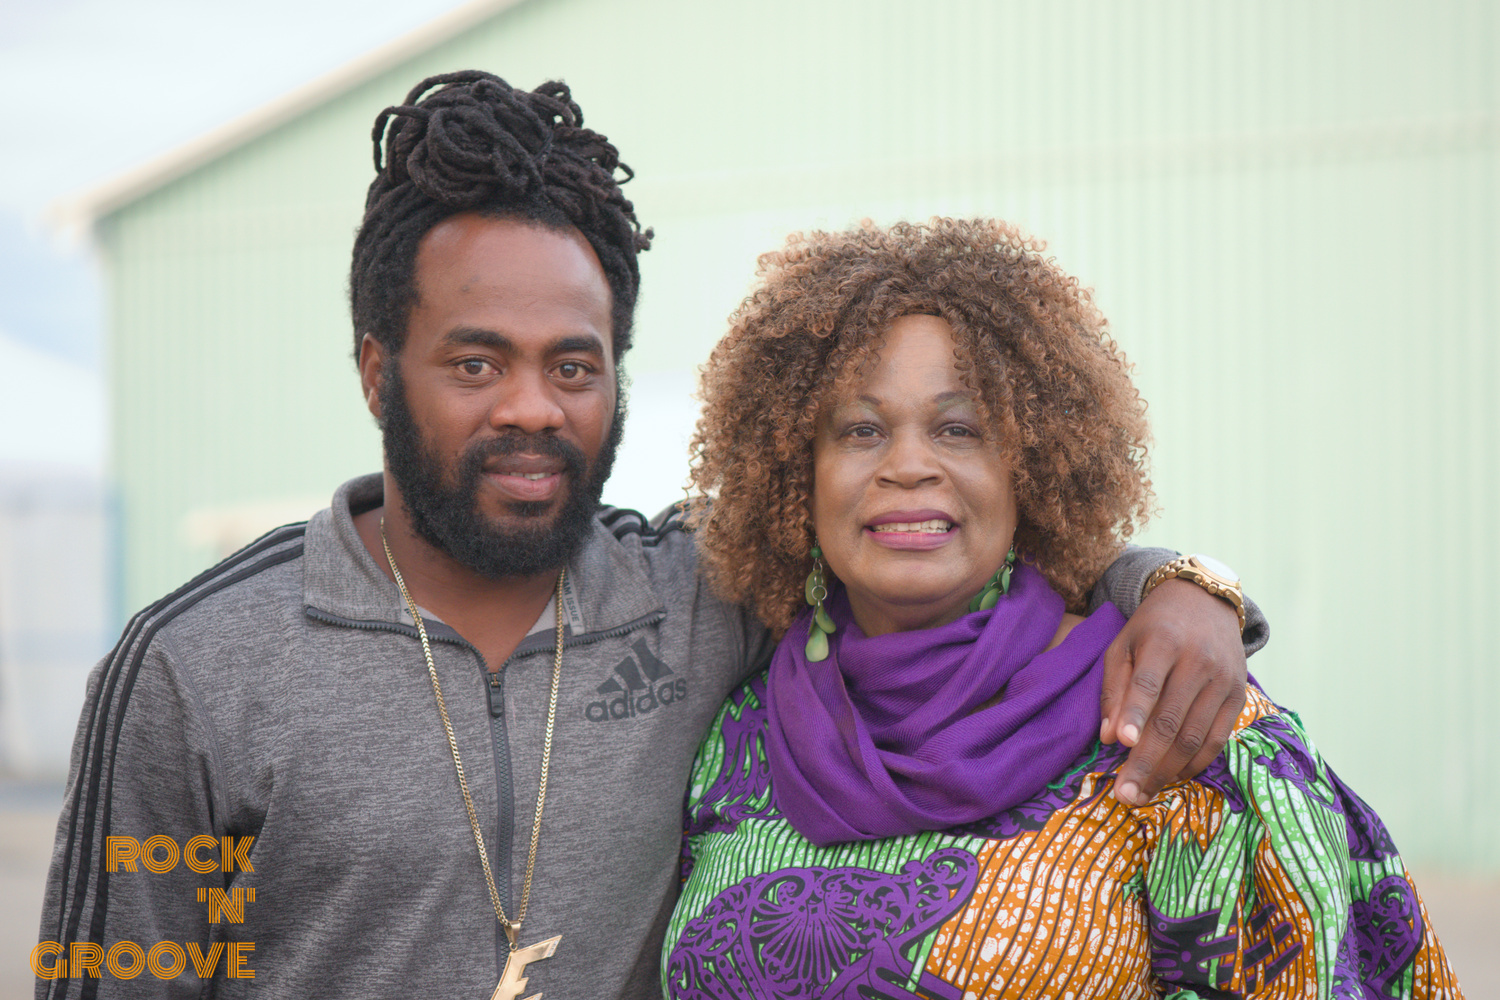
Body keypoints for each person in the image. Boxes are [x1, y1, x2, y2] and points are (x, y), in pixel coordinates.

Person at [38, 75, 1261, 1000]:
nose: (532, 407)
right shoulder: (196, 672)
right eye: (476, 362)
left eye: (573, 365)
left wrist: (1175, 583)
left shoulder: (700, 594)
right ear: (375, 369)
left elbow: (928, 529)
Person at [665, 218, 1461, 999]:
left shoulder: (1177, 717)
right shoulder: (736, 735)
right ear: (796, 473)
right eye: (861, 430)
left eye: (959, 429)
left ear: (1033, 469)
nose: (908, 464)